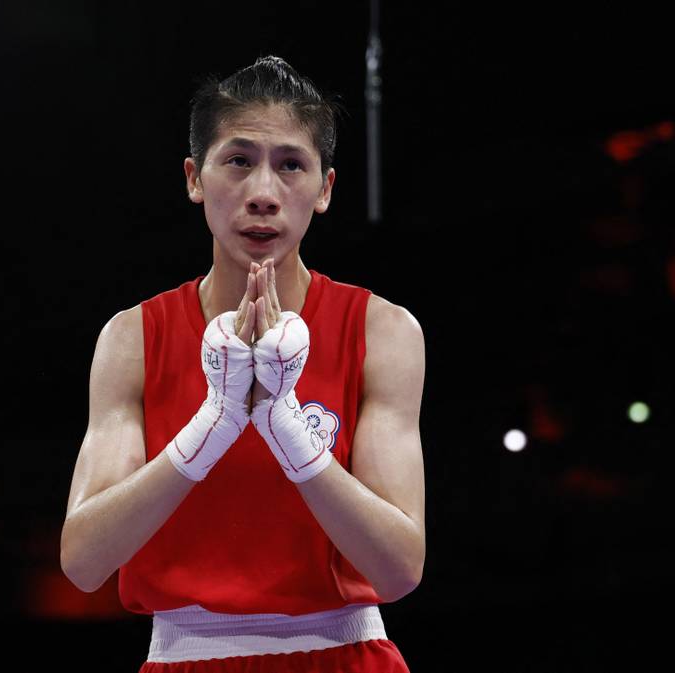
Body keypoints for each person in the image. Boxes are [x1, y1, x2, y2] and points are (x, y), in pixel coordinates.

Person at [60, 55, 426, 672]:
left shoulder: (383, 330)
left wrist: (286, 427)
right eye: (238, 160)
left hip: (344, 655)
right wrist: (218, 419)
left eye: (291, 165)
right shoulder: (133, 337)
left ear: (326, 188)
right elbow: (85, 560)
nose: (263, 194)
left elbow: (398, 569)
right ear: (193, 178)